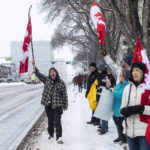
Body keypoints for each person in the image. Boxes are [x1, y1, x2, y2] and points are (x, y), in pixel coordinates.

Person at [32, 60, 68, 144]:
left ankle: (59, 137)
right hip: (48, 105)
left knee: (57, 121)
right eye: (51, 72)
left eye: (54, 71)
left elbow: (64, 95)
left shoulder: (61, 82)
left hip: (58, 105)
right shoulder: (47, 80)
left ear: (56, 73)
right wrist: (34, 67)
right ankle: (51, 134)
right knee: (50, 121)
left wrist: (65, 104)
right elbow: (39, 75)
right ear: (49, 74)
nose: (52, 73)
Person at [120, 62, 150, 150]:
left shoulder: (148, 88)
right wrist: (123, 111)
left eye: (137, 70)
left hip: (145, 132)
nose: (134, 73)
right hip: (130, 132)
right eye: (133, 70)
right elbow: (122, 109)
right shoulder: (127, 88)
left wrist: (140, 109)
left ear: (142, 72)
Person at [110, 71, 129, 144]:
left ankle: (124, 140)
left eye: (122, 76)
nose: (120, 77)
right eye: (120, 75)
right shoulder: (118, 84)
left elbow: (121, 95)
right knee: (117, 123)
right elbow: (114, 92)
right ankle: (120, 136)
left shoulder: (127, 85)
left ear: (125, 77)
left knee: (122, 125)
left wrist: (113, 91)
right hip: (116, 108)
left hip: (122, 108)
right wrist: (110, 88)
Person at [96, 63, 110, 134]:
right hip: (100, 96)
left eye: (99, 69)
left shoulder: (104, 77)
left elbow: (105, 87)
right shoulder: (100, 76)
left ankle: (104, 127)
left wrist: (98, 87)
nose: (98, 70)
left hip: (103, 96)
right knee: (102, 112)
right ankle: (104, 126)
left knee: (104, 112)